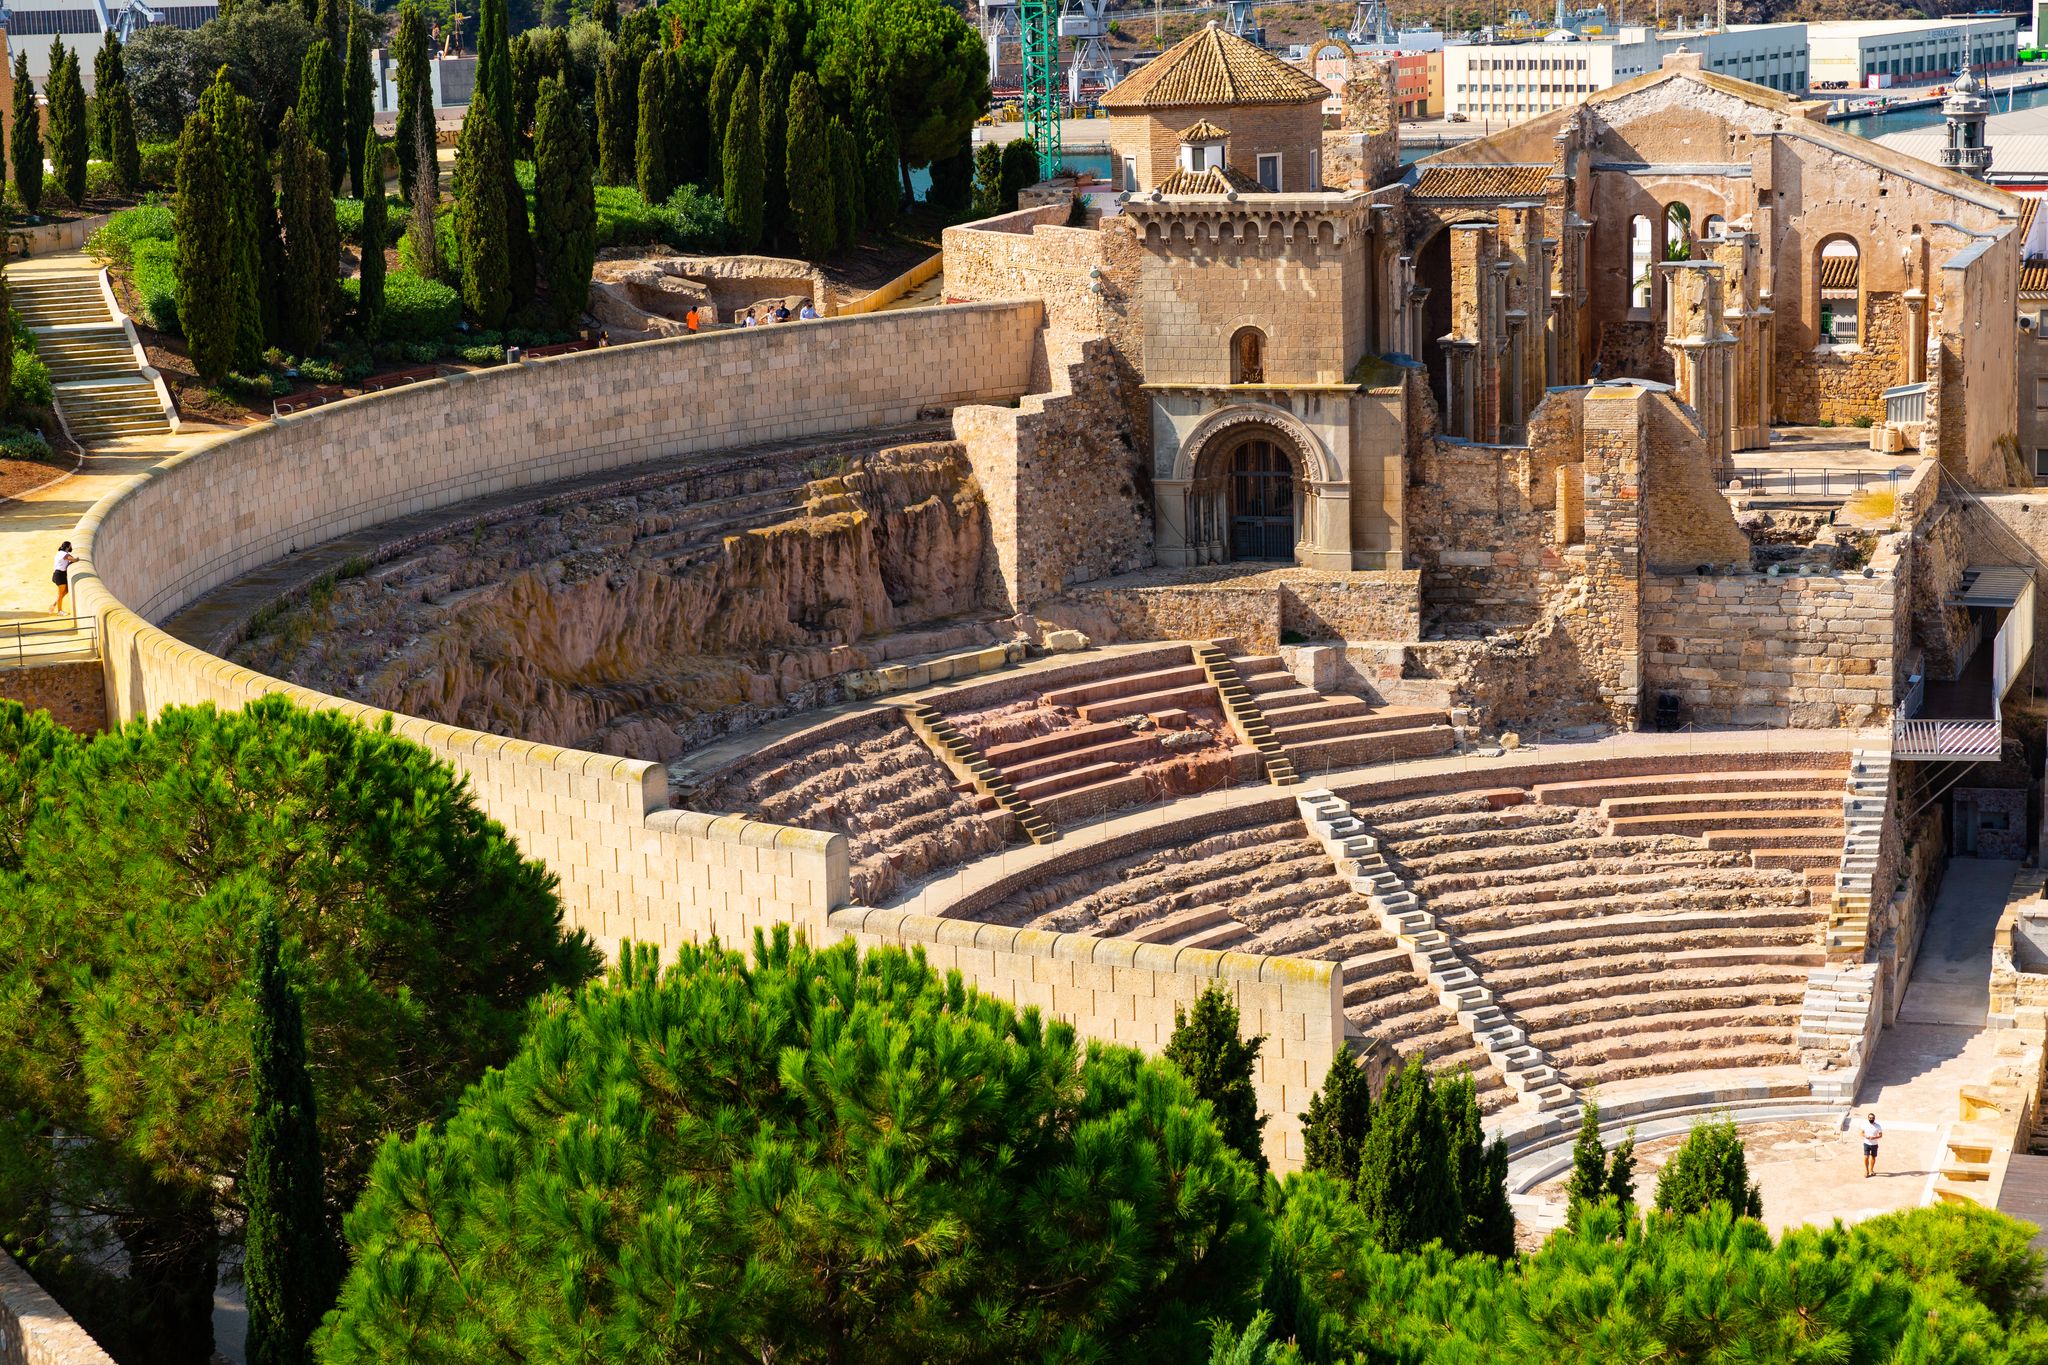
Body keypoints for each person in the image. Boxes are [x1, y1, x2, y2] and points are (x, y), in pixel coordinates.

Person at [49, 540, 77, 615]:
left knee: (66, 590)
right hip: (60, 575)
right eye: (70, 546)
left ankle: (54, 605)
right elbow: (73, 559)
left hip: (59, 574)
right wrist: (76, 559)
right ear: (68, 547)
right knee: (60, 594)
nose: (71, 548)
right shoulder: (64, 554)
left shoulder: (60, 553)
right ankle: (59, 611)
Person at [1861, 1112, 1882, 1177]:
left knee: (1873, 1157)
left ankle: (1871, 1170)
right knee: (1866, 1157)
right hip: (1866, 1143)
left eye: (1872, 1118)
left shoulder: (1878, 1126)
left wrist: (1874, 1137)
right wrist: (1865, 1136)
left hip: (1874, 1144)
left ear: (1874, 1118)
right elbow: (1861, 1133)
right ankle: (1866, 1171)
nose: (1871, 1119)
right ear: (1868, 1118)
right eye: (1870, 1118)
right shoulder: (1864, 1125)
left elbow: (1880, 1135)